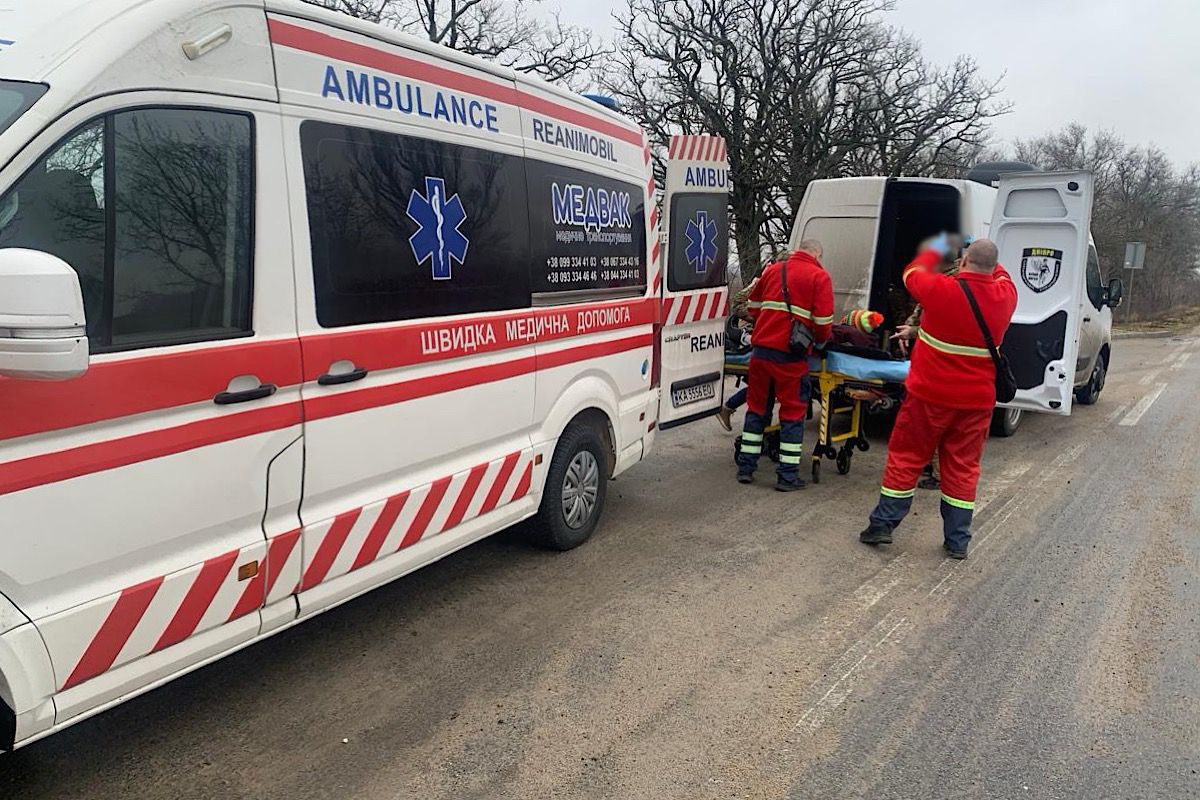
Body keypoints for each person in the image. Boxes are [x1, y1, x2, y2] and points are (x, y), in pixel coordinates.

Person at [859, 235, 1016, 558]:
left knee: (906, 458)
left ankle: (882, 526)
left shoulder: (940, 290)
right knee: (963, 468)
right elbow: (999, 272)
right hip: (975, 404)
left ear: (963, 262)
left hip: (928, 396)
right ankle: (957, 540)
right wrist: (985, 256)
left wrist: (939, 247)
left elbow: (912, 272)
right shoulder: (1006, 296)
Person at [736, 240, 834, 490]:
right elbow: (823, 324)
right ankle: (787, 476)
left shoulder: (773, 270)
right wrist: (818, 341)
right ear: (817, 255)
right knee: (792, 413)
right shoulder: (819, 277)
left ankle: (746, 468)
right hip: (791, 356)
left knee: (757, 409)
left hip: (760, 352)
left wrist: (770, 322)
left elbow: (752, 307)